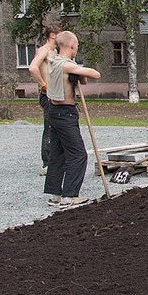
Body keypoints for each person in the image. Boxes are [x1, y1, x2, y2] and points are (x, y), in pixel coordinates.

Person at [44, 31, 101, 209]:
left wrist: (78, 73)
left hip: (53, 111)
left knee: (58, 153)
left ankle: (55, 195)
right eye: (77, 47)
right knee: (78, 154)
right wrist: (79, 69)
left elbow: (82, 81)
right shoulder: (65, 64)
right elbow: (95, 74)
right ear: (72, 46)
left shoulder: (53, 60)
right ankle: (69, 196)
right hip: (64, 112)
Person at [28, 23, 62, 176]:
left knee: (59, 128)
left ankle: (58, 161)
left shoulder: (56, 51)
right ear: (53, 35)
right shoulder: (44, 50)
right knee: (49, 127)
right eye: (60, 34)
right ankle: (47, 163)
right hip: (47, 95)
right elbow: (32, 68)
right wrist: (44, 84)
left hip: (58, 95)